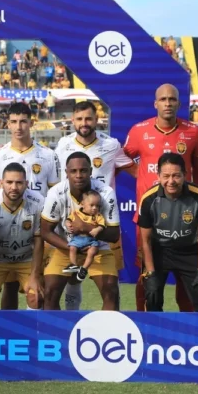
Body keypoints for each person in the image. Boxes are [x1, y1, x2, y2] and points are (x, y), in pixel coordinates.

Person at [123, 83, 198, 312]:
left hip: (184, 214)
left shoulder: (193, 132)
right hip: (150, 217)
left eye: (172, 99)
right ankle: (143, 321)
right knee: (147, 275)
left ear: (179, 103)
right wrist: (139, 172)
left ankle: (188, 323)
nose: (167, 103)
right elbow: (121, 157)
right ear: (155, 104)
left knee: (186, 275)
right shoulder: (139, 131)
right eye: (163, 99)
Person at [54, 100, 136, 309]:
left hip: (103, 225)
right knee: (72, 278)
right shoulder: (63, 145)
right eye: (80, 119)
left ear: (97, 119)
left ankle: (109, 324)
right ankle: (72, 315)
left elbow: (135, 170)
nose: (84, 123)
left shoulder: (111, 145)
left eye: (88, 118)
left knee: (110, 286)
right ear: (72, 121)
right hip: (71, 224)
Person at [0, 102, 60, 308]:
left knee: (39, 290)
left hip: (38, 229)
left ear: (31, 123)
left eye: (23, 121)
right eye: (14, 122)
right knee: (9, 287)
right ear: (8, 124)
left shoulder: (48, 155)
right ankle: (8, 327)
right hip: (7, 230)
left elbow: (55, 194)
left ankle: (33, 325)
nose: (19, 127)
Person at [40, 152, 121, 311]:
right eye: (73, 171)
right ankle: (58, 327)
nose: (78, 175)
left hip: (98, 249)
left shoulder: (105, 193)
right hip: (66, 247)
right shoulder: (56, 193)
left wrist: (86, 228)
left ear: (90, 171)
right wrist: (73, 247)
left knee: (111, 292)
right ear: (66, 173)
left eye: (83, 170)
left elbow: (114, 234)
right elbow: (45, 231)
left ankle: (107, 328)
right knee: (49, 292)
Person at [139, 153, 198, 312]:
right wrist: (151, 273)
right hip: (159, 251)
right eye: (166, 176)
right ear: (158, 176)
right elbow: (145, 241)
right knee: (152, 297)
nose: (171, 181)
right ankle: (155, 329)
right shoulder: (148, 199)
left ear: (185, 175)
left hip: (188, 251)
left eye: (176, 176)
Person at [0, 162, 45, 310]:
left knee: (36, 296)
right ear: (1, 183)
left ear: (26, 184)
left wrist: (35, 276)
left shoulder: (38, 202)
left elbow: (39, 240)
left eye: (19, 183)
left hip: (26, 259)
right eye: (9, 182)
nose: (14, 187)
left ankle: (31, 326)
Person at [62, 189, 105, 282]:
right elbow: (68, 220)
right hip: (78, 238)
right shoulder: (76, 213)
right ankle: (73, 265)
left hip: (91, 240)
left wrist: (97, 229)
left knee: (92, 251)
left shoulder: (98, 216)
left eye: (97, 206)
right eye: (92, 205)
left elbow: (102, 225)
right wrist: (67, 224)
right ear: (82, 204)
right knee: (72, 248)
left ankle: (84, 269)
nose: (95, 208)